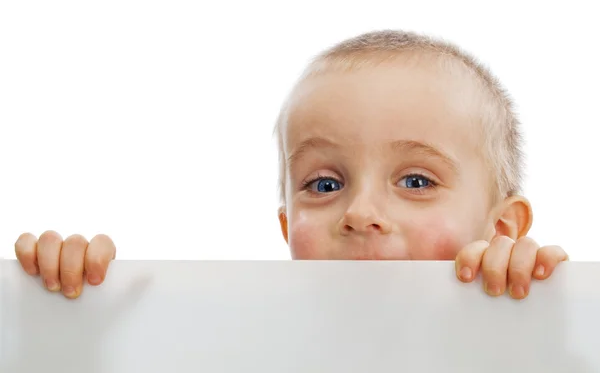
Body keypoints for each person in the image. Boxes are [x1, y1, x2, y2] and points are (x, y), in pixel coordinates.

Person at [13, 29, 568, 300]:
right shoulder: (251, 340)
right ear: (285, 228)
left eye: (416, 180)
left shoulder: (533, 330)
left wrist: (534, 303)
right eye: (324, 183)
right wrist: (68, 308)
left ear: (500, 229)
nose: (361, 212)